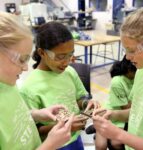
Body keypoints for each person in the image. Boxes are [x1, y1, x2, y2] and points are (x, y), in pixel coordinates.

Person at [0, 12, 74, 150]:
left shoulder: (8, 83)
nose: (26, 67)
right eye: (21, 60)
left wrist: (35, 114)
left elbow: (12, 118)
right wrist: (49, 145)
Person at [19, 21, 99, 150]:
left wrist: (86, 104)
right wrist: (66, 126)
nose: (67, 62)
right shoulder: (29, 88)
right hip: (55, 145)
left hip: (76, 139)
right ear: (42, 53)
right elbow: (36, 130)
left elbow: (79, 98)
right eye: (60, 57)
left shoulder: (69, 72)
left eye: (70, 55)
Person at [93, 7, 143, 150]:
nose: (127, 57)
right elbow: (139, 113)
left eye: (131, 50)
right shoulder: (142, 71)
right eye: (125, 49)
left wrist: (119, 135)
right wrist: (113, 114)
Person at [95, 55, 136, 150]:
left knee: (116, 143)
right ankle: (97, 126)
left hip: (123, 114)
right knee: (101, 146)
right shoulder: (117, 81)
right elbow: (126, 108)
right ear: (129, 70)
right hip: (112, 113)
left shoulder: (136, 77)